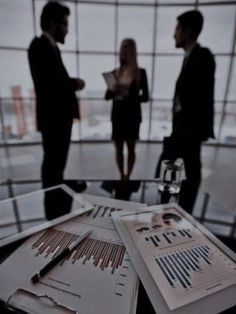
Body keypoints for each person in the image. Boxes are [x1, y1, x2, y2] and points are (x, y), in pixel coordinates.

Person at [155, 10, 215, 213]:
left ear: (188, 30)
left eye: (177, 29)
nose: (174, 34)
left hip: (188, 128)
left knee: (183, 168)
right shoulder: (190, 57)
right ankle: (175, 209)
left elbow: (201, 95)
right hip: (183, 127)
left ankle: (176, 210)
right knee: (181, 166)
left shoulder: (202, 56)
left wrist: (190, 124)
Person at [28, 2, 85, 188]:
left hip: (57, 117)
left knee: (57, 160)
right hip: (54, 118)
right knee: (53, 161)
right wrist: (75, 83)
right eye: (65, 24)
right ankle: (54, 201)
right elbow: (50, 84)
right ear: (54, 23)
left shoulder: (51, 48)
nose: (67, 30)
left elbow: (54, 80)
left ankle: (57, 189)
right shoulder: (39, 46)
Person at [105, 38, 149, 180]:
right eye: (122, 47)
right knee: (118, 148)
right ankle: (121, 175)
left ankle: (127, 176)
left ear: (133, 51)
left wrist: (128, 94)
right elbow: (107, 96)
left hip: (132, 116)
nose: (124, 50)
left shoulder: (140, 73)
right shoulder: (115, 72)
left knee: (130, 148)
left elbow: (146, 97)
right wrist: (113, 89)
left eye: (127, 47)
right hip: (117, 115)